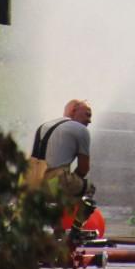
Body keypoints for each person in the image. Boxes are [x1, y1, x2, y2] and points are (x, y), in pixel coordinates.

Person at [30, 99, 95, 243]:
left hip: (32, 183)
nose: (90, 121)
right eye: (87, 115)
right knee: (88, 189)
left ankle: (57, 230)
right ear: (73, 111)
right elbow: (84, 168)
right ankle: (75, 232)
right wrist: (73, 195)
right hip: (55, 182)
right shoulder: (81, 130)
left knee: (60, 187)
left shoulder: (44, 126)